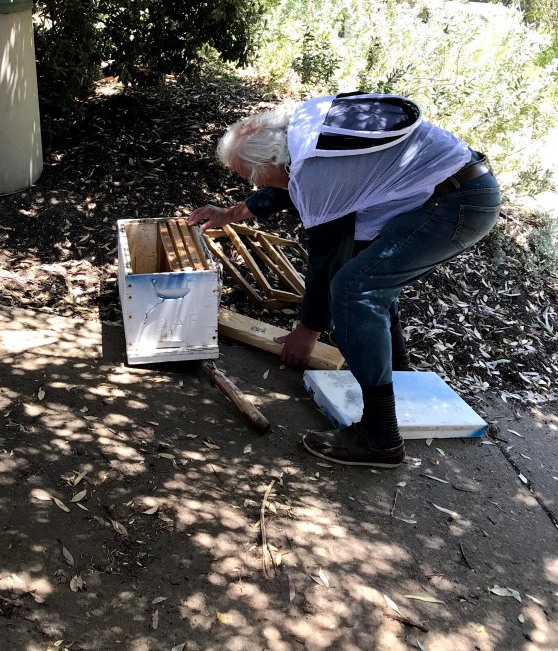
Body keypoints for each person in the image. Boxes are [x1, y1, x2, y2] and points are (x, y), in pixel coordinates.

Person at [187, 93, 501, 469]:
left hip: (455, 203)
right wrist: (233, 212)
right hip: (444, 191)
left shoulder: (316, 171)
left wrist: (308, 331)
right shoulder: (298, 135)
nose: (254, 184)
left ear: (272, 161)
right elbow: (287, 185)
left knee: (355, 288)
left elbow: (328, 258)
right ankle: (399, 376)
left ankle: (380, 438)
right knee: (371, 280)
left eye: (251, 177)